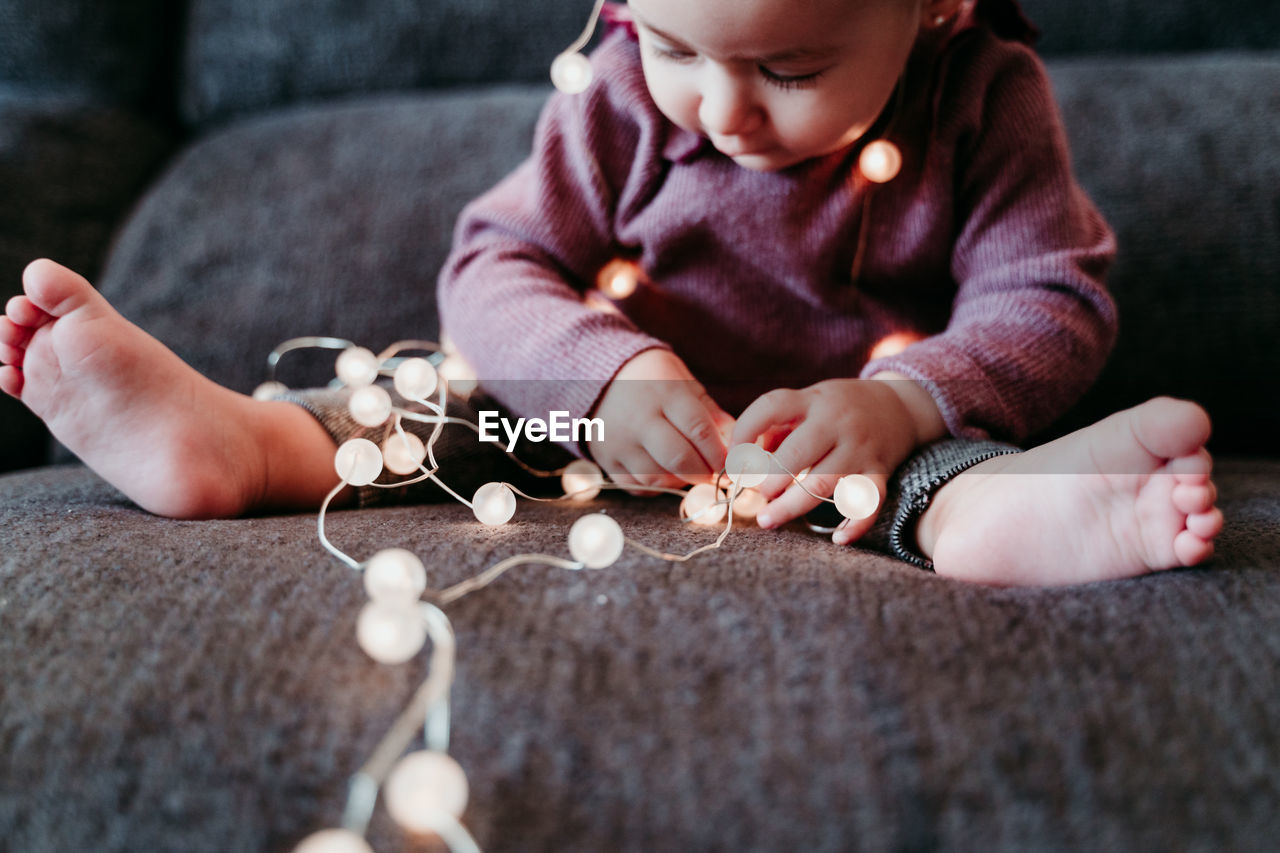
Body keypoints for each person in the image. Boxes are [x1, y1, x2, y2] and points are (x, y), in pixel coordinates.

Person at [0, 0, 1222, 587]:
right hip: (596, 434)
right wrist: (605, 373)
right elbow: (494, 260)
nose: (723, 110)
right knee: (449, 417)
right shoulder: (619, 95)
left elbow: (1048, 294)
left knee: (907, 480)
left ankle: (996, 519)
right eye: (676, 47)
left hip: (828, 446)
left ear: (934, 7)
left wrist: (906, 398)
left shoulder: (981, 98)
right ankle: (247, 443)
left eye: (787, 70)